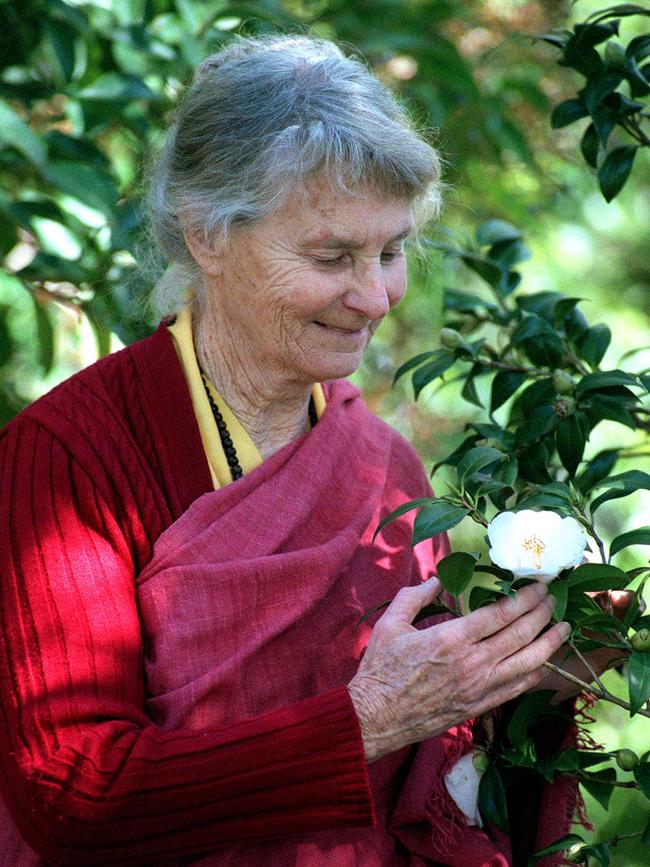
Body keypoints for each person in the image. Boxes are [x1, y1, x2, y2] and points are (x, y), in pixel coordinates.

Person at [0, 35, 578, 867]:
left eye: (390, 251)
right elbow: (72, 790)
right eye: (332, 256)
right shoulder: (68, 457)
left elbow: (432, 772)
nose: (375, 296)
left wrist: (534, 673)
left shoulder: (383, 466)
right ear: (207, 235)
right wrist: (365, 721)